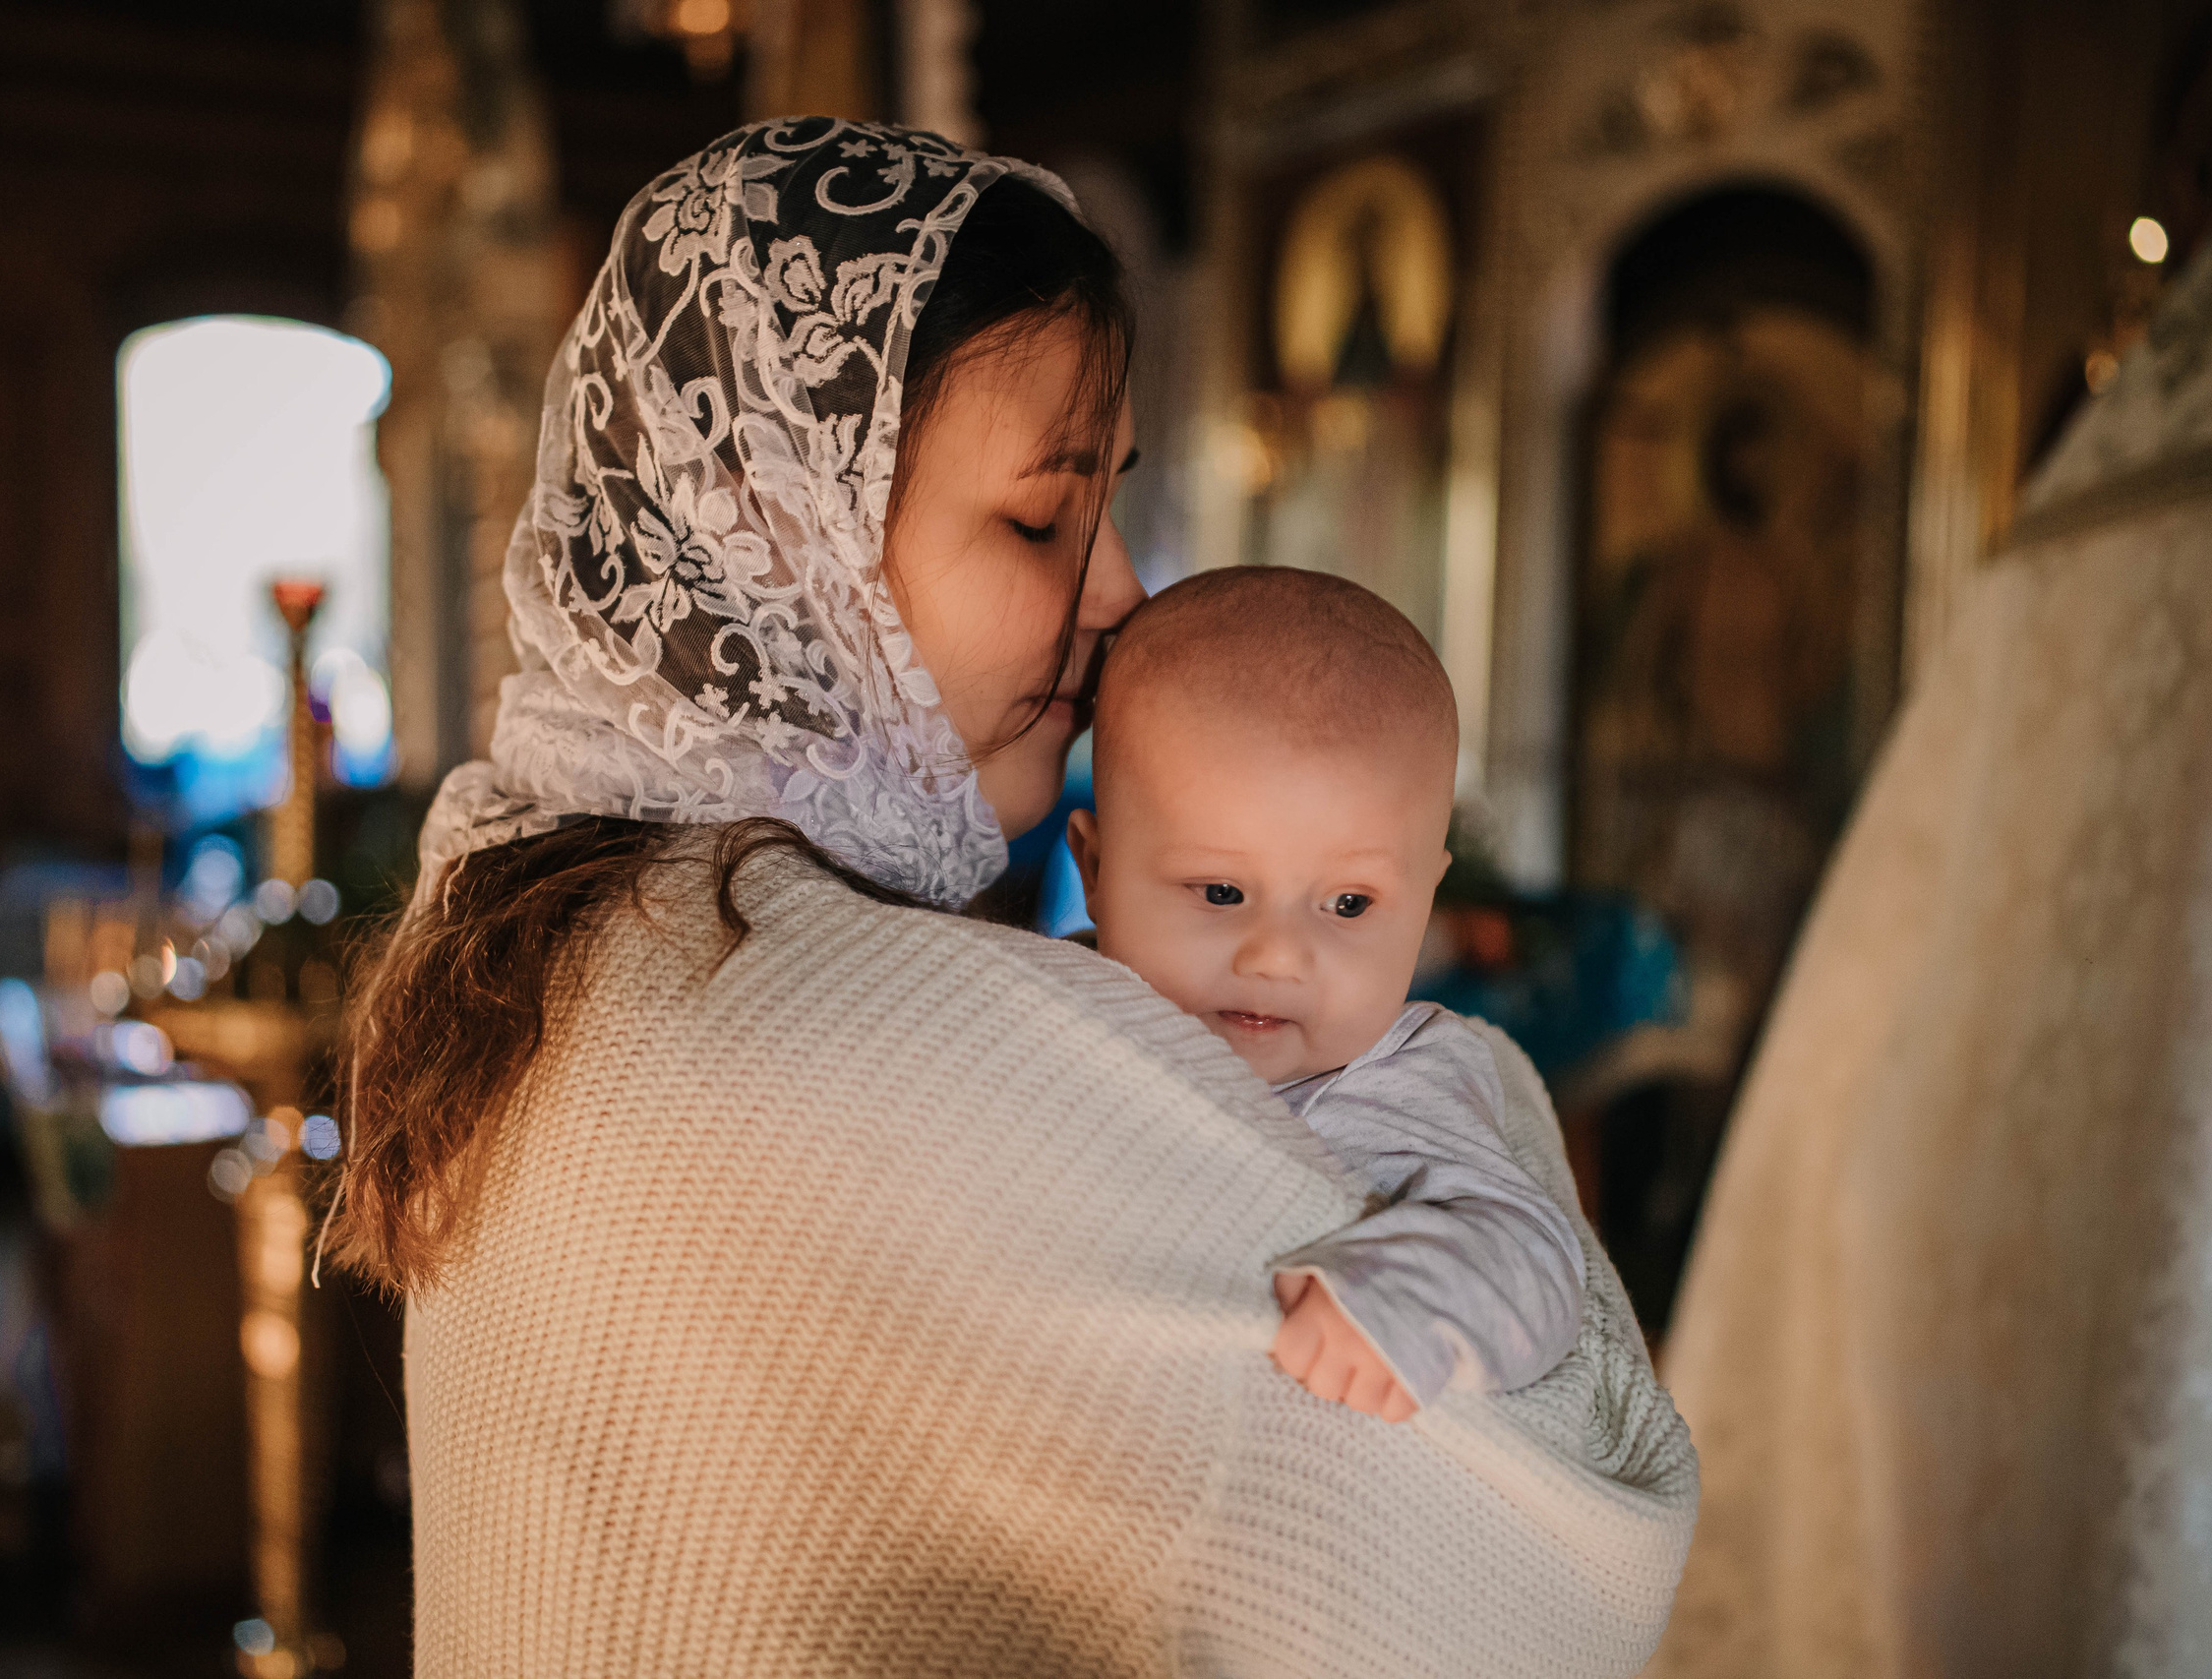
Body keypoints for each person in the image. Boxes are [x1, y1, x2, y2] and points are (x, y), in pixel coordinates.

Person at [330, 118, 1694, 1676]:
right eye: (1045, 517)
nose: (1118, 594)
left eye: (1109, 505)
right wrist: (1497, 1117)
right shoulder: (817, 1017)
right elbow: (1533, 1533)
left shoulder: (559, 918)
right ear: (778, 529)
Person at [1067, 568, 1586, 1422]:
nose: (1277, 958)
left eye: (1349, 904)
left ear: (1425, 900)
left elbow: (1533, 1254)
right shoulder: (1052, 994)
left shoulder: (1402, 1072)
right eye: (1221, 893)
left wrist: (1396, 1303)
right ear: (1094, 870)